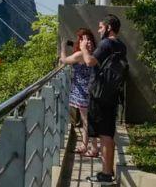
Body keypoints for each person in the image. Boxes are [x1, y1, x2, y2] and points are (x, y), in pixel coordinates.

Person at [80, 14, 127, 185]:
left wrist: (84, 48)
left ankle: (106, 173)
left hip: (99, 95)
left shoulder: (106, 43)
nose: (98, 30)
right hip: (112, 94)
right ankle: (107, 172)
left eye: (100, 27)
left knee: (104, 134)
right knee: (108, 132)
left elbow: (90, 62)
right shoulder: (121, 46)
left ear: (108, 28)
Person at [60, 28, 98, 156]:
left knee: (86, 120)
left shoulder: (80, 55)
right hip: (92, 91)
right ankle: (85, 145)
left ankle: (92, 148)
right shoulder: (95, 53)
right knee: (88, 119)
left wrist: (63, 47)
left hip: (82, 92)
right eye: (83, 39)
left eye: (86, 39)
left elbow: (63, 60)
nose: (85, 42)